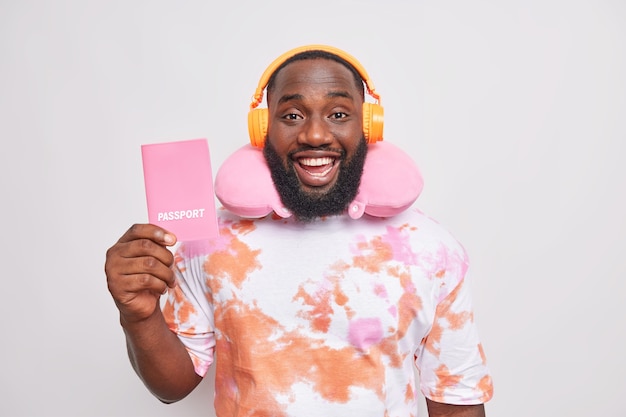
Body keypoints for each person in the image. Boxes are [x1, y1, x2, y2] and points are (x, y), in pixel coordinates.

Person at [105, 45, 494, 417]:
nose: (315, 135)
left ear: (369, 126)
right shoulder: (208, 242)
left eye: (339, 114)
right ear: (262, 129)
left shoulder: (430, 249)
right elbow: (171, 386)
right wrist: (138, 316)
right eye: (292, 115)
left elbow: (455, 401)